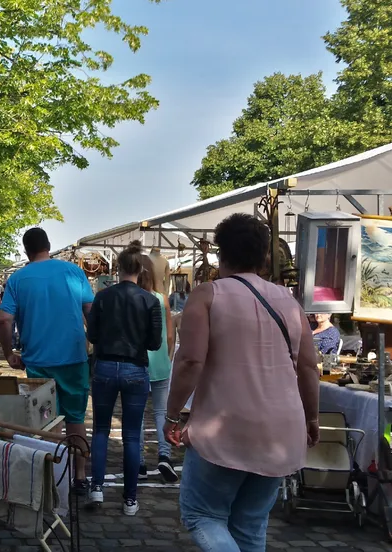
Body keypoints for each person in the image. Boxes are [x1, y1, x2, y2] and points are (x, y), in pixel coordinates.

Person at [164, 213, 319, 551]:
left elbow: (190, 360)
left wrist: (172, 415)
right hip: (282, 429)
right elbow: (309, 367)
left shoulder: (207, 295)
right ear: (265, 255)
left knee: (202, 515)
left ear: (221, 253)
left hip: (225, 428)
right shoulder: (289, 302)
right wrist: (312, 418)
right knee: (250, 525)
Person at [0, 228, 94, 492]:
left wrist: (8, 353)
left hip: (38, 359)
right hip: (74, 356)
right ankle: (80, 476)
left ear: (26, 250)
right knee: (76, 418)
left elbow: (5, 319)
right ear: (48, 245)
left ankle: (53, 478)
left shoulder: (18, 279)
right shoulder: (74, 272)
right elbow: (90, 310)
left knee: (47, 418)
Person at [86, 241, 162, 514]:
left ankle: (96, 488)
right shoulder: (150, 301)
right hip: (134, 368)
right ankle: (130, 499)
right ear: (140, 269)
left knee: (101, 431)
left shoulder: (102, 297)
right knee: (131, 436)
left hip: (105, 366)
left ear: (117, 269)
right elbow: (155, 343)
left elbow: (91, 335)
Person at [137, 254, 178, 483]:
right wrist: (168, 356)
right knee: (162, 412)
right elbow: (170, 334)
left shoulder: (134, 298)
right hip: (160, 361)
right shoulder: (162, 299)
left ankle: (139, 460)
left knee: (138, 414)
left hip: (139, 362)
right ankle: (165, 455)